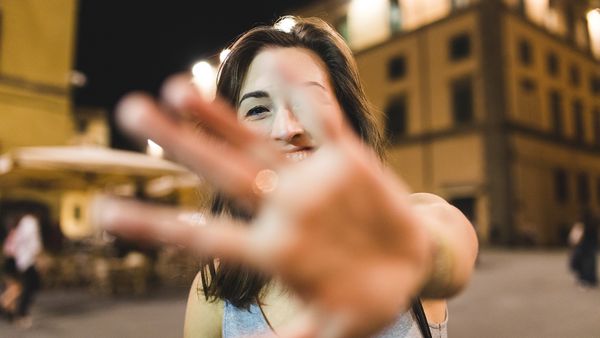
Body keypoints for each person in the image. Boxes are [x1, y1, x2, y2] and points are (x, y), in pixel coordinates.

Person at [95, 16, 478, 338]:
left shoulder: (413, 218)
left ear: (348, 120)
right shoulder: (213, 295)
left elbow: (449, 252)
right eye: (258, 109)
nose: (286, 127)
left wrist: (408, 251)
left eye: (308, 101)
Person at [1, 212, 42, 328]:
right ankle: (7, 306)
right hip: (12, 263)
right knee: (16, 288)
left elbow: (7, 250)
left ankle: (10, 313)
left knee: (13, 288)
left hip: (11, 263)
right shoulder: (17, 234)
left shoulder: (13, 234)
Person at [569, 208, 598, 288]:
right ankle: (589, 279)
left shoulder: (581, 225)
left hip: (582, 248)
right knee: (588, 265)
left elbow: (574, 238)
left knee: (582, 265)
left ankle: (585, 279)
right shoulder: (593, 224)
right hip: (589, 248)